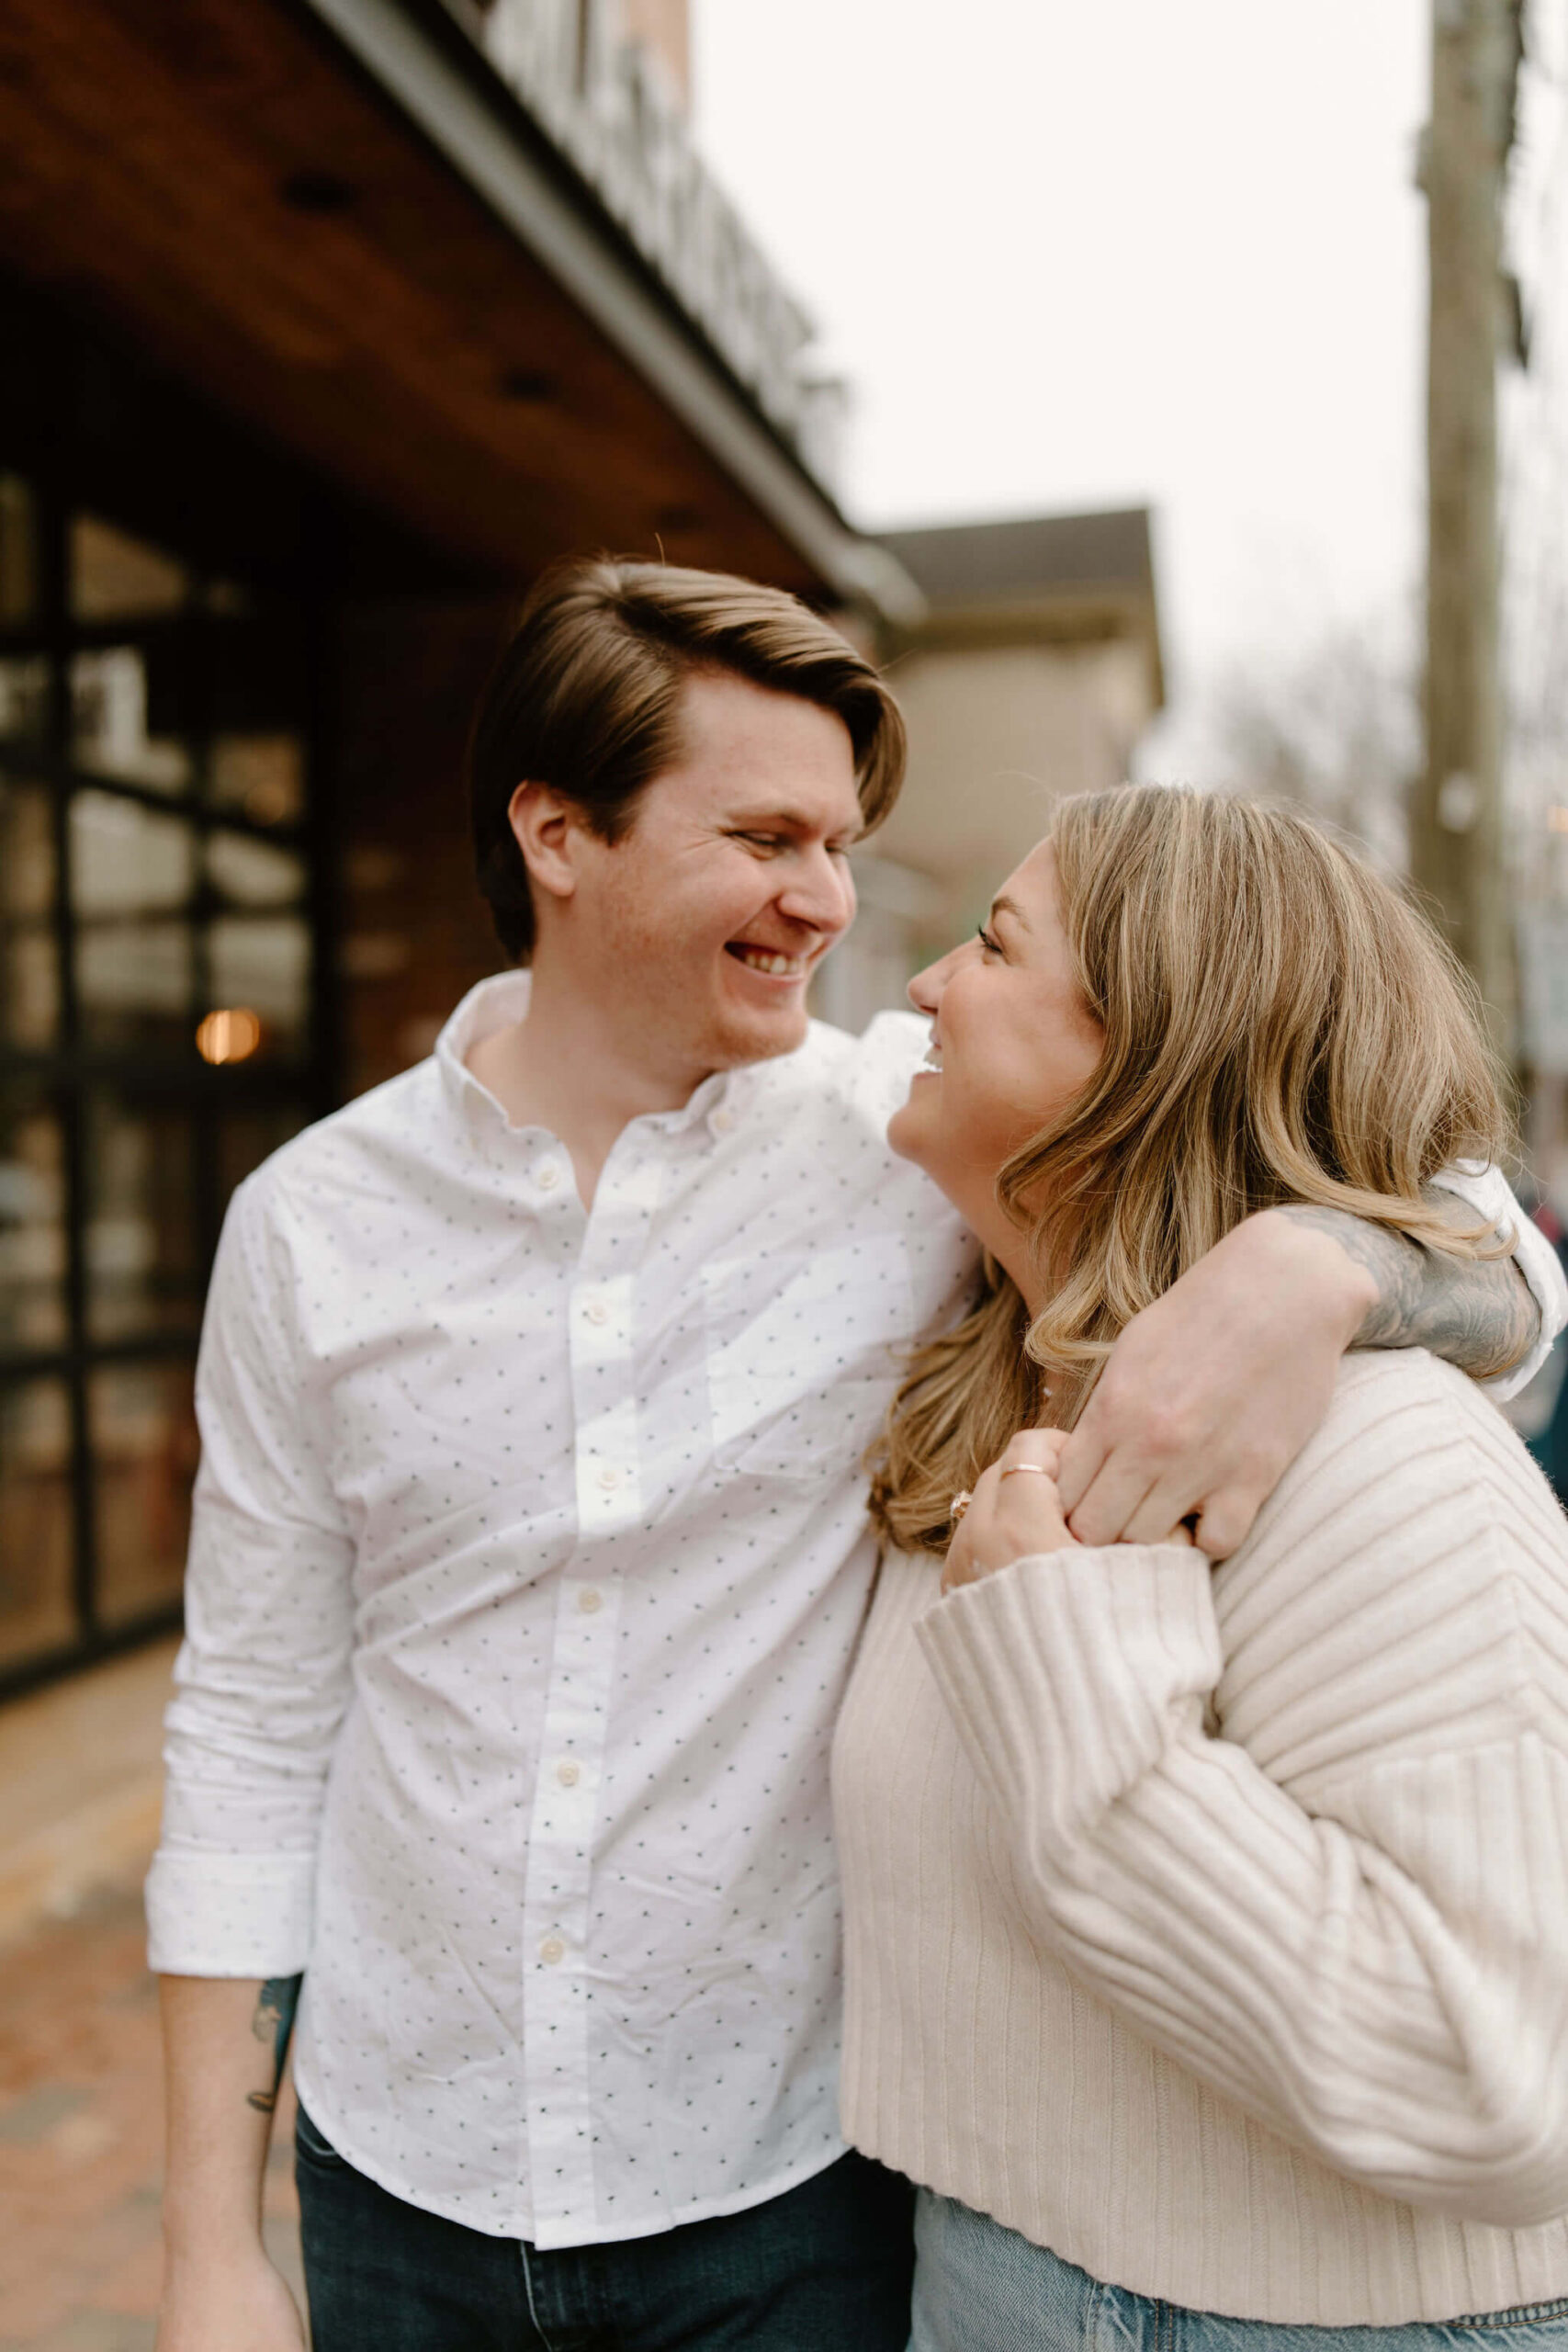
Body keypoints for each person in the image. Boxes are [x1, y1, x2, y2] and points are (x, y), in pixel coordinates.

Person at [147, 565, 1561, 2352]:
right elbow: (256, 1718)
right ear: (557, 833)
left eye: (840, 839)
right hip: (398, 2158)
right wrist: (212, 2238)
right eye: (763, 835)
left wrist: (1323, 1261)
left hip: (790, 2186)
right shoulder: (308, 1226)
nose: (826, 902)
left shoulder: (910, 1131)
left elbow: (1421, 1203)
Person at [835, 785, 1568, 2351]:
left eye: (990, 942)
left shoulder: (1385, 1458)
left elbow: (1502, 2084)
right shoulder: (997, 1382)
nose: (917, 982)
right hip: (996, 2269)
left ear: (1144, 1047)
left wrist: (1072, 1683)